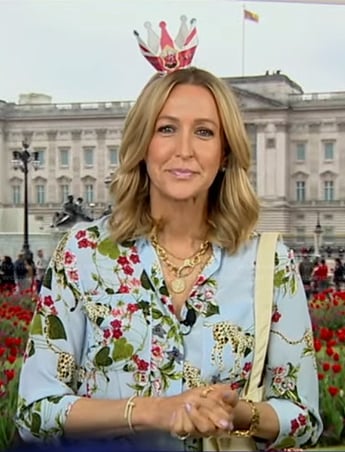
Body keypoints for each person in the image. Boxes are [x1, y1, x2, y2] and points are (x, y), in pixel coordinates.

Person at [16, 16, 322, 452]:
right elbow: (34, 411)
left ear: (225, 151)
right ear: (142, 145)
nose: (184, 150)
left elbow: (305, 419)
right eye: (166, 129)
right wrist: (153, 410)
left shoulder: (272, 263)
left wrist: (236, 414)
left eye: (203, 131)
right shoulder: (82, 253)